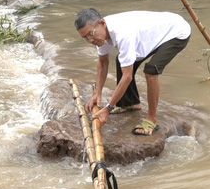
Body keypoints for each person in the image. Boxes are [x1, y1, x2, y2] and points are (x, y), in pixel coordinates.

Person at [74, 8, 191, 136]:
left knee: (151, 70)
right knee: (121, 61)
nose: (90, 40)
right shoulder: (100, 35)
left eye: (91, 34)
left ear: (102, 23)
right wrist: (97, 93)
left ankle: (151, 119)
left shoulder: (122, 34)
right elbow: (103, 63)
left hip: (176, 32)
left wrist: (108, 108)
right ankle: (130, 103)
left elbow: (127, 76)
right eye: (85, 37)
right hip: (150, 35)